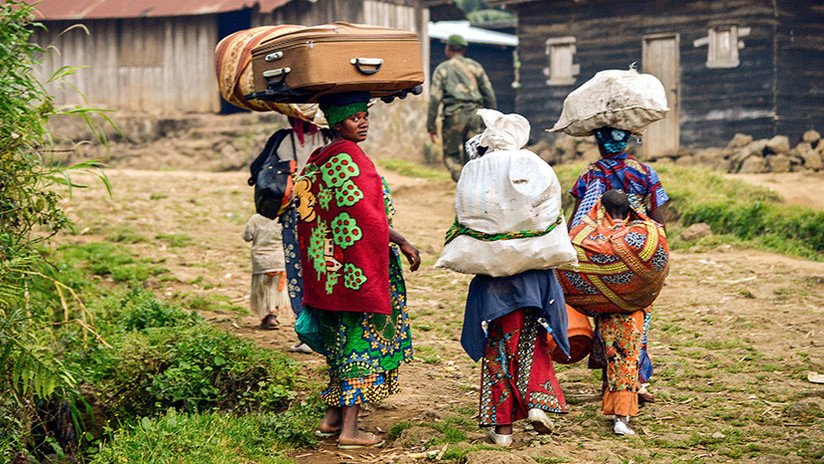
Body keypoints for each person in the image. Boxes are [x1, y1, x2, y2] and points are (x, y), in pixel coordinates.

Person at [293, 91, 421, 449]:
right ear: (336, 123)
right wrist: (402, 241)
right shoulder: (351, 158)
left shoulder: (318, 159)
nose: (362, 122)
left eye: (365, 115)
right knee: (357, 343)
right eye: (354, 118)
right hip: (359, 270)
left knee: (338, 343)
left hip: (330, 273)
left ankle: (332, 419)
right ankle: (351, 430)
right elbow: (367, 218)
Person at [458, 113, 568, 447]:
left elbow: (468, 220)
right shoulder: (530, 168)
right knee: (532, 343)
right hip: (533, 280)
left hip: (494, 283)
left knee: (498, 351)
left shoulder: (478, 174)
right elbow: (547, 215)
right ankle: (536, 402)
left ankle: (502, 429)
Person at [569, 127, 668, 405]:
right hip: (637, 255)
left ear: (598, 143)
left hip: (596, 255)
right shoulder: (646, 173)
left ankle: (611, 381)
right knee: (637, 315)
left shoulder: (590, 174)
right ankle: (634, 379)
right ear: (627, 142)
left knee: (604, 312)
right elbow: (658, 218)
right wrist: (659, 257)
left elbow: (576, 218)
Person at [579, 189, 654, 436]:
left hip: (606, 311)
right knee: (628, 361)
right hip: (634, 311)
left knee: (613, 358)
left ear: (602, 209)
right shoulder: (642, 234)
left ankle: (613, 408)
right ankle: (622, 417)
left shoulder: (594, 238)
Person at [277, 115, 332, 352]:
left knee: (300, 269)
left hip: (298, 214)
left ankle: (309, 330)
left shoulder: (285, 141)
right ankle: (319, 329)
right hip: (321, 212)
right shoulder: (329, 139)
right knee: (319, 268)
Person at [426, 34, 497, 182]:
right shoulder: (475, 67)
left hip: (453, 116)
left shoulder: (443, 69)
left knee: (452, 157)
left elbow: (434, 98)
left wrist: (431, 126)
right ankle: (475, 189)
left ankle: (463, 183)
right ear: (463, 49)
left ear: (448, 49)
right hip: (475, 116)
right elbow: (489, 94)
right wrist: (493, 122)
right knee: (474, 156)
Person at [243, 213, 289, 330]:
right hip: (279, 259)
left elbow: (247, 236)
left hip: (260, 261)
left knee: (261, 290)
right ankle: (273, 316)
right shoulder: (284, 218)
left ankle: (266, 316)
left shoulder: (255, 218)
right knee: (277, 290)